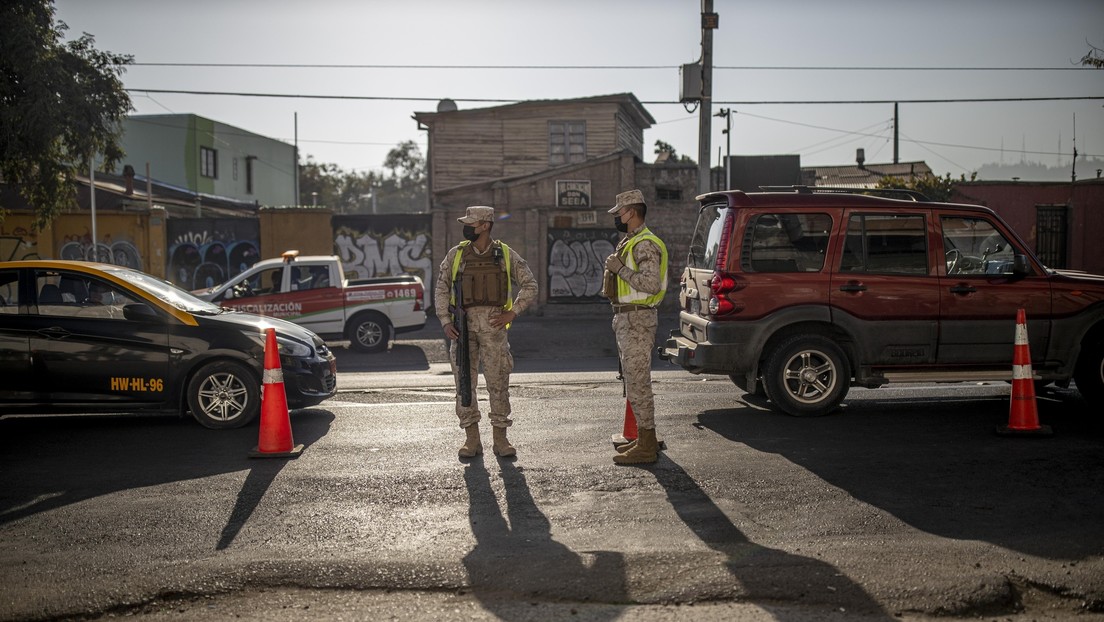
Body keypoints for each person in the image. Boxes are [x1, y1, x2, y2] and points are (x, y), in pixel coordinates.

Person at [435, 205, 538, 459]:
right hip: (462, 329)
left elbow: (530, 285)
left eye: (472, 223)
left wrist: (512, 313)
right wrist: (445, 320)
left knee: (498, 383)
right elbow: (441, 286)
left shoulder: (504, 254)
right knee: (464, 385)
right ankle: (472, 440)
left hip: (494, 329)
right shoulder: (457, 254)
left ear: (485, 225)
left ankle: (501, 440)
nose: (467, 226)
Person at [604, 189, 668, 465]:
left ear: (631, 211)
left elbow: (651, 284)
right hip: (628, 319)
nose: (617, 217)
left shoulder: (644, 243)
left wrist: (620, 269)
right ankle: (644, 440)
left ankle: (646, 444)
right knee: (633, 382)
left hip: (638, 320)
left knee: (639, 383)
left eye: (619, 212)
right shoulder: (631, 241)